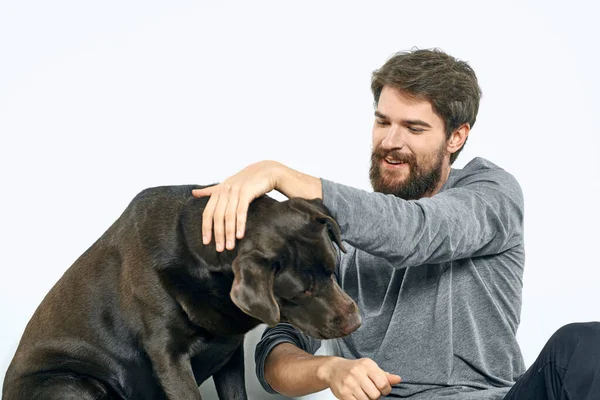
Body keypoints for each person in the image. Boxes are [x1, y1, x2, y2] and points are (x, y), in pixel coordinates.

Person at [192, 48, 600, 399]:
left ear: (456, 137)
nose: (391, 141)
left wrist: (280, 174)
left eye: (414, 128)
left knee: (582, 346)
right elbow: (275, 352)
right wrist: (328, 370)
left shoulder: (491, 192)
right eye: (383, 121)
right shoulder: (336, 237)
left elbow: (418, 233)